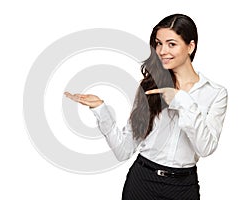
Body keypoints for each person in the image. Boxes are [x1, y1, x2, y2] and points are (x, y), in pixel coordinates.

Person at [64, 13, 228, 200]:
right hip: (143, 181)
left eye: (171, 44)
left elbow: (205, 148)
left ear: (190, 46)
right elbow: (124, 150)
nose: (162, 51)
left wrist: (181, 100)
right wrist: (100, 110)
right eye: (158, 43)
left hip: (184, 188)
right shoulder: (150, 86)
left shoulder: (215, 93)